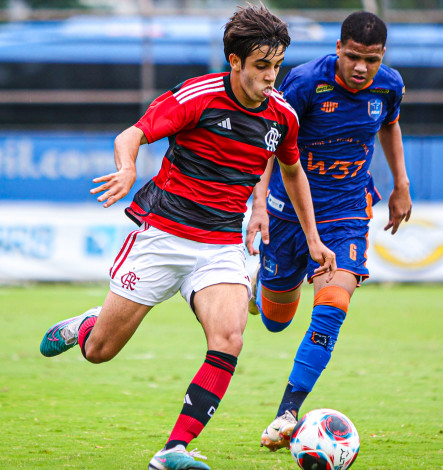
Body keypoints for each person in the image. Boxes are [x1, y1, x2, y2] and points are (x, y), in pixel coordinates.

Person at [39, 5, 336, 470]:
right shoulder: (197, 96)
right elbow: (131, 135)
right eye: (262, 66)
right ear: (234, 61)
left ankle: (172, 450)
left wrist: (313, 238)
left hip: (220, 246)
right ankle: (86, 326)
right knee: (100, 352)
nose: (271, 77)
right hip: (163, 235)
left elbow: (292, 171)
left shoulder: (282, 116)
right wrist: (127, 168)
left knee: (230, 337)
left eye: (277, 65)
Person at [245, 11, 412, 451]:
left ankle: (288, 412)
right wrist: (259, 202)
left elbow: (390, 127)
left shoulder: (389, 85)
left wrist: (401, 185)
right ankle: (258, 284)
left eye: (372, 60)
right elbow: (269, 141)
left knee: (334, 302)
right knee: (276, 319)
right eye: (354, 57)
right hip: (287, 213)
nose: (362, 68)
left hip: (347, 210)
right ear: (338, 48)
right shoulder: (303, 83)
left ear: (382, 58)